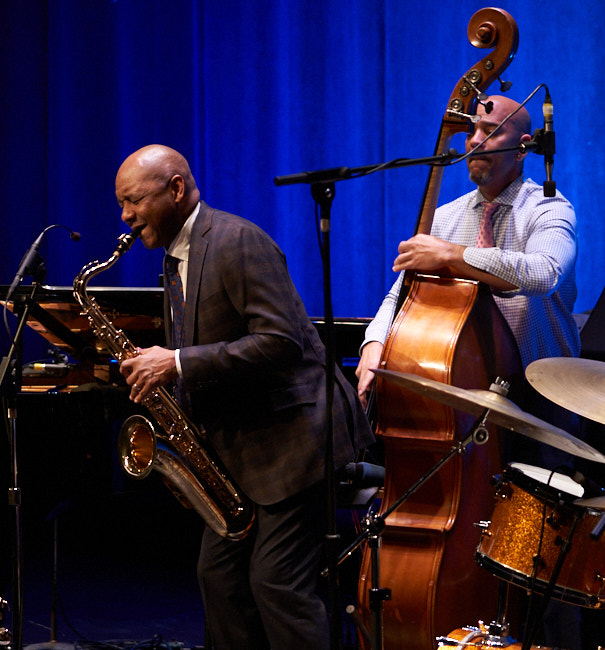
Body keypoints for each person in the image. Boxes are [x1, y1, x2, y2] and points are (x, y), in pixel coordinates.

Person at [116, 144, 374, 650]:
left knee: (277, 583)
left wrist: (176, 362)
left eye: (134, 200)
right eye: (121, 203)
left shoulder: (236, 241)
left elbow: (281, 341)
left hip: (296, 443)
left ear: (175, 189)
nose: (125, 215)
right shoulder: (175, 258)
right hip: (245, 450)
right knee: (219, 579)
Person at [354, 96, 583, 647]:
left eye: (489, 131)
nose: (474, 141)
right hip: (469, 400)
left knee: (537, 559)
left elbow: (544, 273)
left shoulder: (549, 209)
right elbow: (402, 292)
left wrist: (455, 258)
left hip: (541, 400)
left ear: (523, 147)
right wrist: (374, 343)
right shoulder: (448, 216)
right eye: (471, 130)